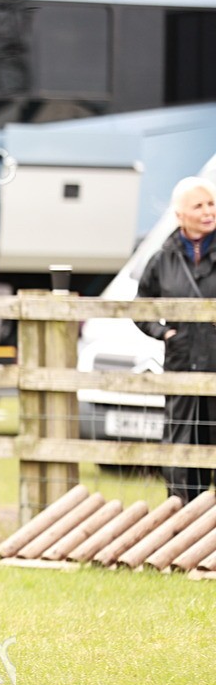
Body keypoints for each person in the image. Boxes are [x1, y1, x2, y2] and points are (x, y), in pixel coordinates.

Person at [135, 176, 216, 503]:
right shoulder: (163, 259)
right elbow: (140, 306)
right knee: (180, 445)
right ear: (180, 214)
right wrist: (164, 333)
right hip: (181, 363)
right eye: (198, 206)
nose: (208, 211)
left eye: (211, 204)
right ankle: (181, 516)